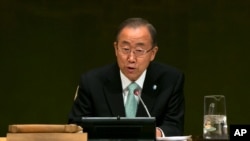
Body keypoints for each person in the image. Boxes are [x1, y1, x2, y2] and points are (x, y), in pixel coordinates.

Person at [68, 17, 185, 137]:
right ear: (116, 49)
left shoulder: (170, 81)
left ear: (153, 53)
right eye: (125, 49)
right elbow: (75, 127)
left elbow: (174, 126)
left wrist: (154, 133)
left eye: (139, 50)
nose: (131, 58)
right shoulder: (92, 82)